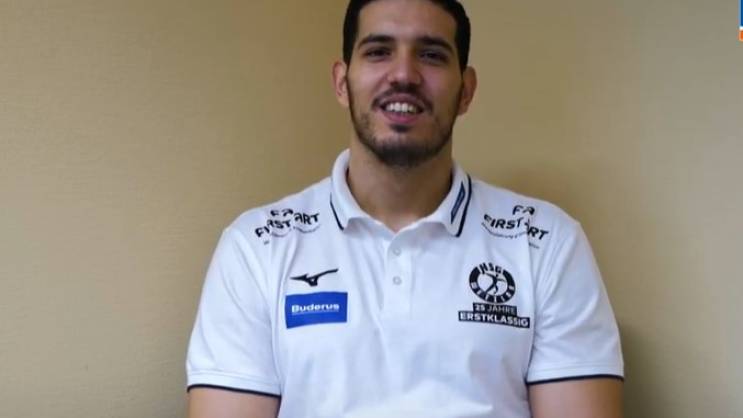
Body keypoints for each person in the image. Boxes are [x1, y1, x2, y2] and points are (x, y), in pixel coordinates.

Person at [186, 0, 624, 417]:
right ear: (341, 82)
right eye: (379, 51)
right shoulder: (256, 247)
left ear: (466, 91)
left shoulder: (546, 242)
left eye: (431, 55)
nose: (403, 75)